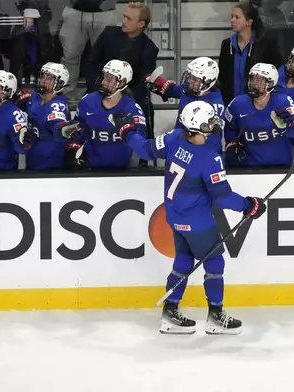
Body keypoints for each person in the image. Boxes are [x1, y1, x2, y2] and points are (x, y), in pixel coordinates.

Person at [114, 100, 267, 335]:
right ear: (195, 126)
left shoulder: (174, 137)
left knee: (183, 260)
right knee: (215, 262)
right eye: (208, 122)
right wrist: (249, 205)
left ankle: (170, 311)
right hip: (198, 221)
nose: (213, 125)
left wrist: (127, 132)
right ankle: (216, 315)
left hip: (174, 216)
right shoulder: (208, 158)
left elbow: (145, 148)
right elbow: (223, 197)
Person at [85, 1, 158, 166]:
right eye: (124, 16)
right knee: (85, 106)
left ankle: (144, 159)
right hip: (100, 88)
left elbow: (142, 82)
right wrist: (99, 88)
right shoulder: (109, 33)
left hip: (128, 95)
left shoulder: (149, 48)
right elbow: (91, 63)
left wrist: (120, 96)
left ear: (141, 24)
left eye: (129, 19)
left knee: (145, 107)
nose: (124, 21)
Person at [65, 60, 147, 168]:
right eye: (104, 77)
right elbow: (77, 130)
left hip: (122, 172)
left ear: (122, 82)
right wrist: (73, 149)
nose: (104, 82)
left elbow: (140, 143)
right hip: (90, 169)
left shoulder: (133, 109)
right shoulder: (87, 101)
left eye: (110, 79)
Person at [224, 62, 294, 167]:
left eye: (260, 80)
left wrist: (289, 124)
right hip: (250, 168)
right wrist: (231, 145)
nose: (254, 84)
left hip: (283, 167)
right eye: (253, 79)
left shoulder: (284, 101)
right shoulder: (237, 104)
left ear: (270, 84)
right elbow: (230, 129)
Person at [145, 57, 225, 153]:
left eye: (195, 79)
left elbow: (210, 137)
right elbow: (173, 90)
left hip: (203, 154)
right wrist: (157, 82)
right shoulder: (190, 89)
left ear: (208, 82)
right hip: (180, 146)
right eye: (190, 77)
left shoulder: (215, 105)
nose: (190, 81)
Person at [218, 2, 283, 105]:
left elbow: (278, 73)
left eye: (237, 17)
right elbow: (221, 78)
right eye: (232, 17)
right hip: (230, 105)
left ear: (249, 22)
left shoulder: (267, 44)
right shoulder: (226, 44)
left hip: (257, 105)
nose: (232, 20)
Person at [14, 62, 72, 170]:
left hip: (51, 167)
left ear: (60, 83)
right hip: (32, 162)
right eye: (42, 76)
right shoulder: (35, 97)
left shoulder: (57, 106)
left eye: (49, 79)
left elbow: (58, 124)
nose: (43, 81)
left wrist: (62, 128)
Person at [59, 0, 116, 93]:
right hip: (74, 11)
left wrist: (107, 4)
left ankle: (106, 93)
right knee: (69, 56)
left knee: (106, 58)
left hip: (105, 12)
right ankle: (64, 94)